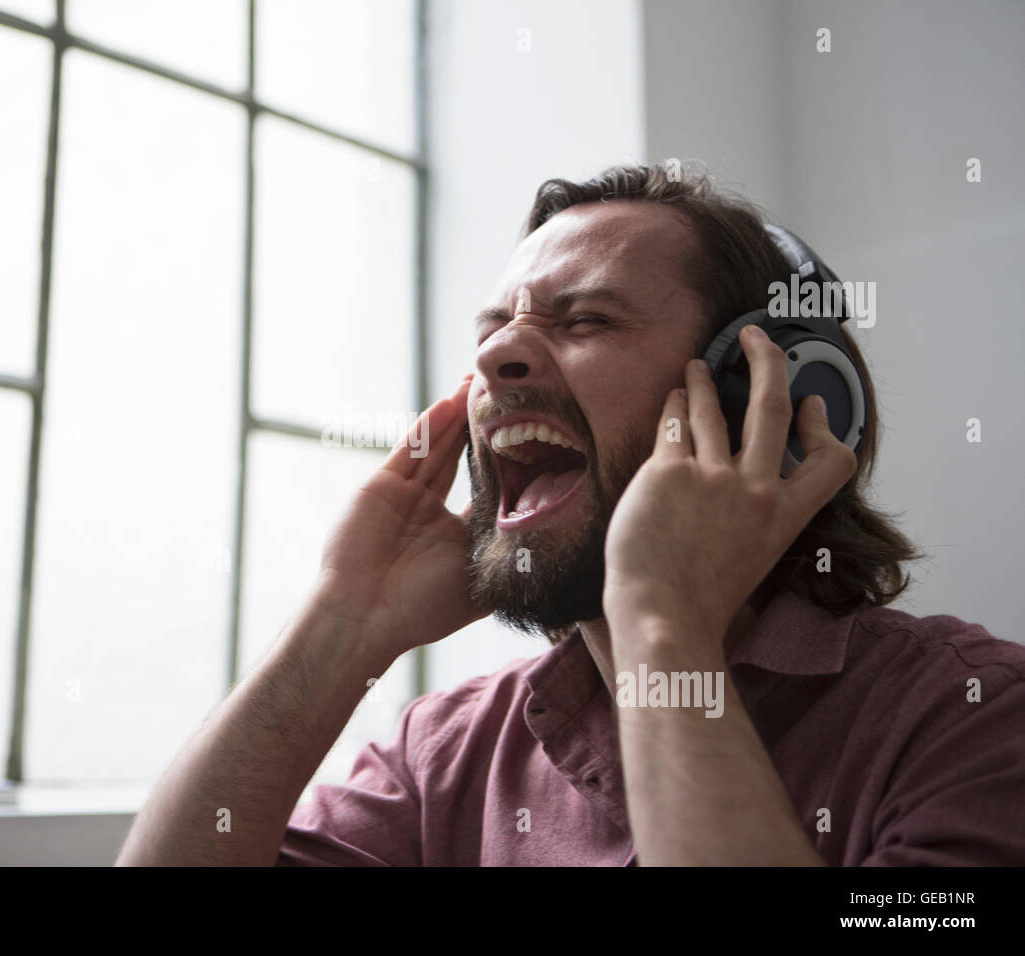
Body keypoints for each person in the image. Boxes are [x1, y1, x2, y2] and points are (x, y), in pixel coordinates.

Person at [116, 163, 1025, 866]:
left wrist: (662, 623)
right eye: (492, 330)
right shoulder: (446, 757)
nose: (498, 356)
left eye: (584, 320)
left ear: (770, 406)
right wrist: (341, 624)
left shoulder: (975, 719)